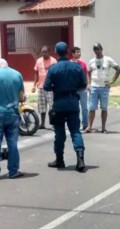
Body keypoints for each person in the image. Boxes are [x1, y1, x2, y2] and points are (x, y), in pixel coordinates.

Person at [44, 42, 87, 173]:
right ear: (68, 51)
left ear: (56, 52)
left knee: (59, 133)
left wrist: (56, 88)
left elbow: (46, 87)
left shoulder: (53, 68)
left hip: (59, 103)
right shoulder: (76, 67)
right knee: (75, 131)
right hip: (73, 101)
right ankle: (80, 159)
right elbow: (83, 84)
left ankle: (60, 159)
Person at [0, 58, 26, 179]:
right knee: (12, 143)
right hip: (12, 113)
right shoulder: (17, 74)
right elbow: (22, 97)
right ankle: (13, 171)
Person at [86, 43, 120, 133]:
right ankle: (89, 127)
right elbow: (88, 72)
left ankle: (103, 128)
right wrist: (89, 83)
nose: (96, 51)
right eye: (95, 49)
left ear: (101, 49)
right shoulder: (91, 61)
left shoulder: (108, 60)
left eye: (98, 49)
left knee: (104, 108)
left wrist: (112, 81)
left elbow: (118, 69)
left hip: (104, 87)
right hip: (94, 87)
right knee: (92, 108)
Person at [32, 45, 57, 129]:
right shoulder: (38, 61)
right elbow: (36, 73)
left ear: (49, 52)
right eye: (42, 52)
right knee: (42, 107)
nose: (44, 54)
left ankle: (54, 124)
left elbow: (57, 74)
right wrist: (34, 85)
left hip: (51, 87)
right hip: (41, 87)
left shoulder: (53, 61)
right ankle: (42, 124)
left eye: (45, 52)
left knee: (52, 106)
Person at [71, 46, 90, 130]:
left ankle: (85, 124)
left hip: (82, 89)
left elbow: (86, 74)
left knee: (84, 108)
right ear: (73, 54)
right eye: (77, 52)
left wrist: (88, 84)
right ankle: (76, 124)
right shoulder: (69, 64)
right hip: (73, 90)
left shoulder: (83, 64)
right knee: (75, 108)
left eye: (80, 52)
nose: (79, 53)